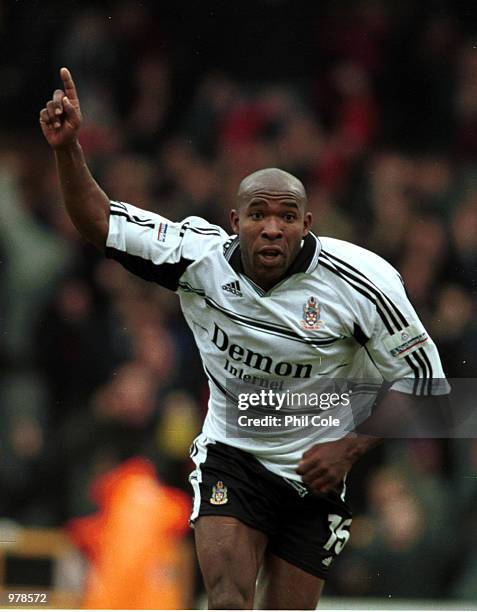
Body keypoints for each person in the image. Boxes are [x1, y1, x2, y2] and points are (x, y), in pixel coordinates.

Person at [40, 68, 448, 610]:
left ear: (308, 222)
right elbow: (99, 222)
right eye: (258, 214)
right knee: (228, 602)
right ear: (235, 221)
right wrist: (68, 150)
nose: (272, 228)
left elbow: (430, 384)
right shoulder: (198, 258)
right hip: (233, 457)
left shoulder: (364, 282)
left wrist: (349, 450)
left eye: (286, 217)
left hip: (316, 473)